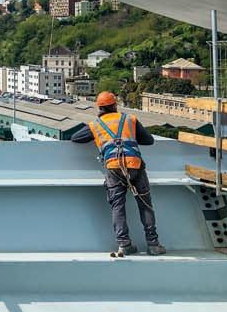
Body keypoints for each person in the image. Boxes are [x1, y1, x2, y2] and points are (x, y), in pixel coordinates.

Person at [68, 92, 164, 257]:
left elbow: (75, 138)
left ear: (99, 107)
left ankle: (124, 244)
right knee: (145, 205)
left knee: (117, 207)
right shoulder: (130, 119)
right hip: (135, 166)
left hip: (114, 168)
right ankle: (153, 245)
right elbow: (149, 140)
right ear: (114, 105)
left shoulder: (95, 125)